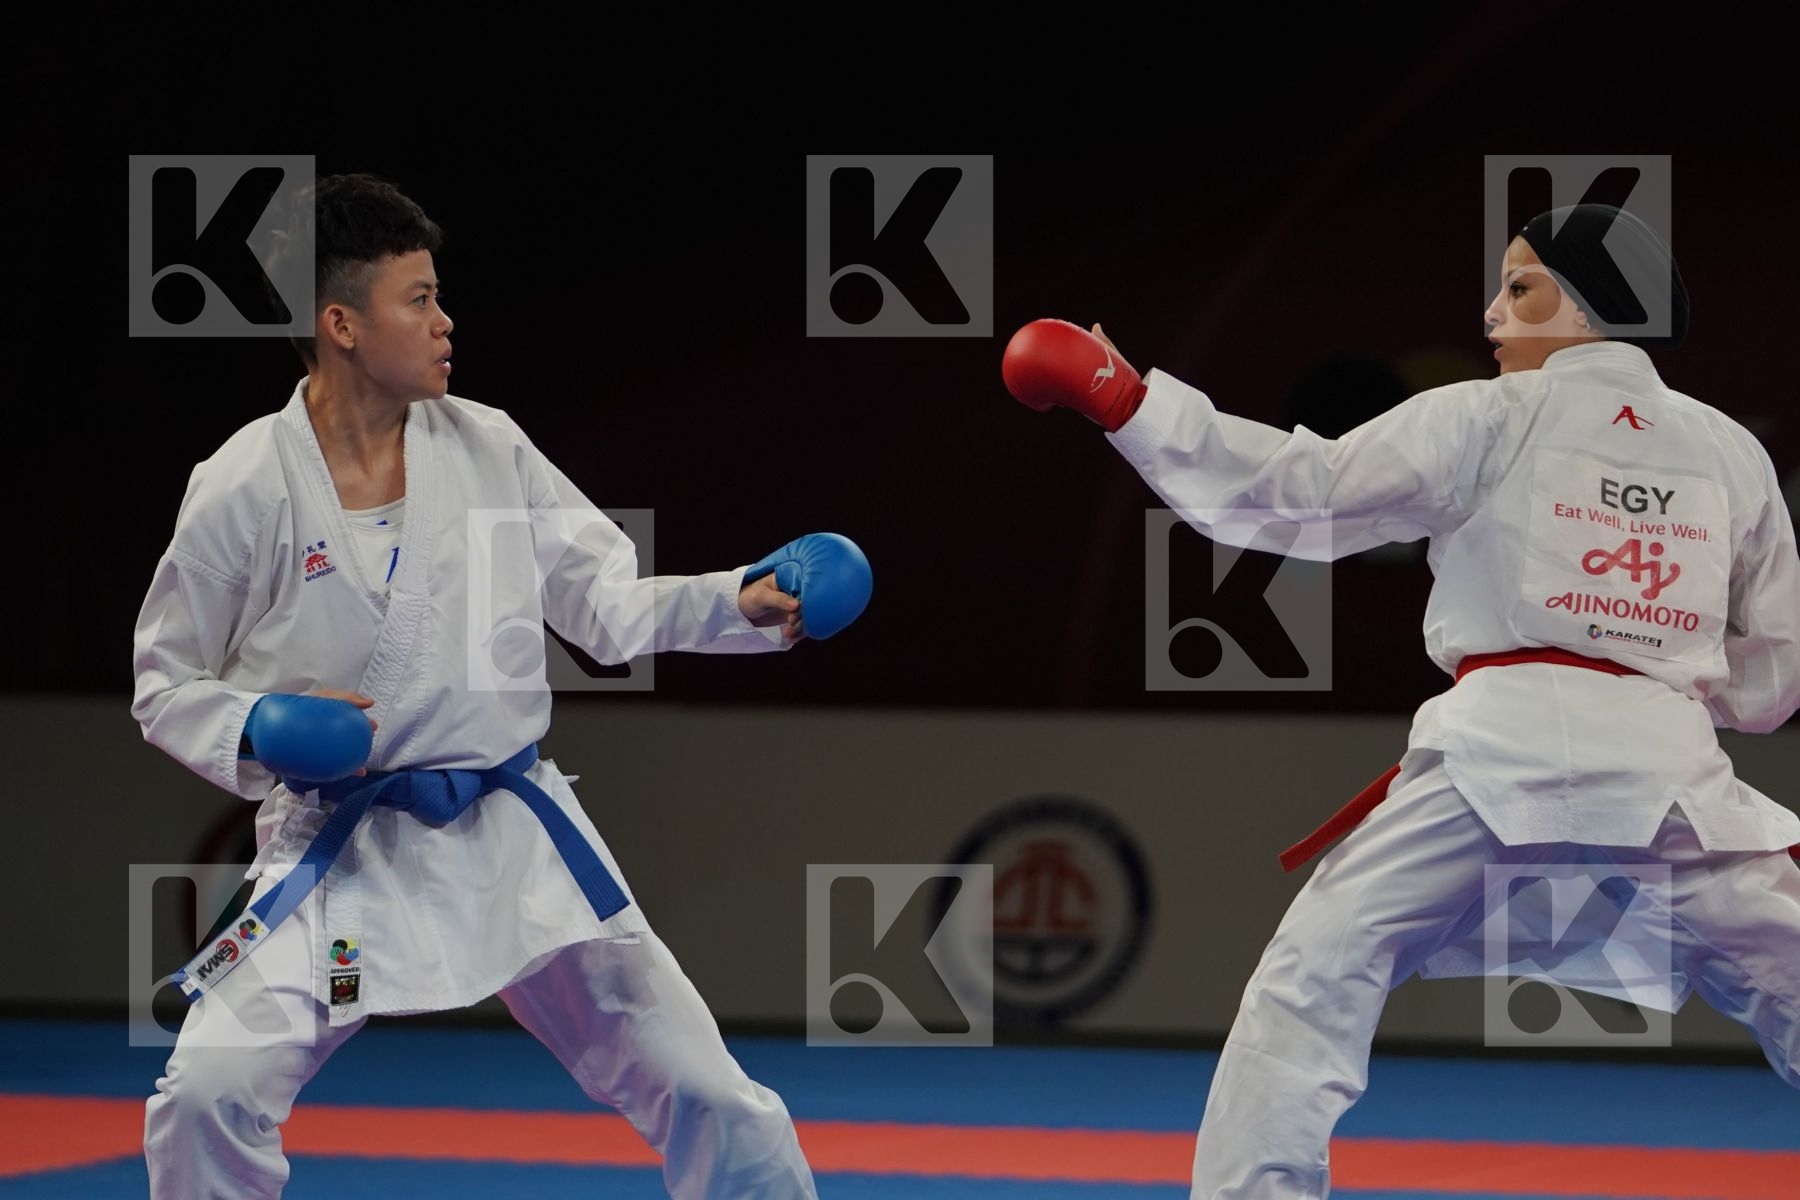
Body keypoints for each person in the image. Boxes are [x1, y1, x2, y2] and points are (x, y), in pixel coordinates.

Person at [1002, 203, 1800, 1199]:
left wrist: (1128, 401)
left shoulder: (1489, 413)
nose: (1492, 312)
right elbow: (1772, 687)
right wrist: (1657, 681)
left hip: (1489, 761)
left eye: (1521, 288)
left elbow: (1301, 491)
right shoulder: (1731, 452)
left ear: (1597, 311)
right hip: (1670, 776)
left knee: (1313, 980)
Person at [135, 173, 868, 1198]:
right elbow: (164, 682)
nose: (446, 321)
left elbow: (609, 600)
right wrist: (257, 722)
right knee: (206, 1095)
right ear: (340, 323)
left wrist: (737, 600)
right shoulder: (245, 482)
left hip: (516, 844)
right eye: (420, 298)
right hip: (345, 857)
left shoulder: (489, 445)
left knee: (709, 1092)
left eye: (439, 296)